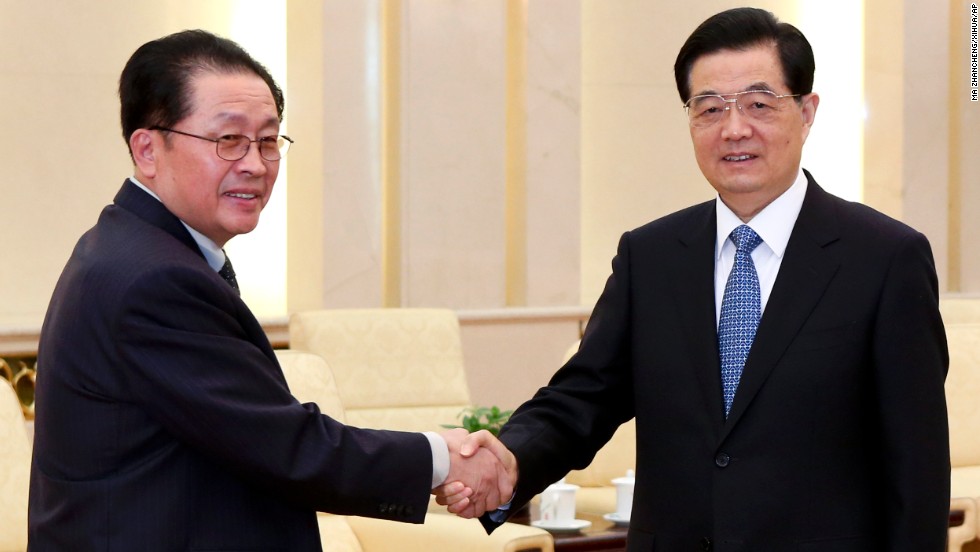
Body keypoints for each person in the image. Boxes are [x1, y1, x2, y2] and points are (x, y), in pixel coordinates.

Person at [439, 7, 950, 551]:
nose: (734, 129)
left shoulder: (885, 258)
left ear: (806, 112)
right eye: (709, 108)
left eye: (758, 104)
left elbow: (915, 473)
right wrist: (510, 461)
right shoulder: (651, 256)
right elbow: (582, 398)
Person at [29, 29, 513, 551]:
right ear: (148, 149)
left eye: (268, 140)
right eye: (229, 140)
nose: (256, 164)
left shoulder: (135, 249)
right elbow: (288, 448)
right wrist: (443, 457)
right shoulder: (153, 278)